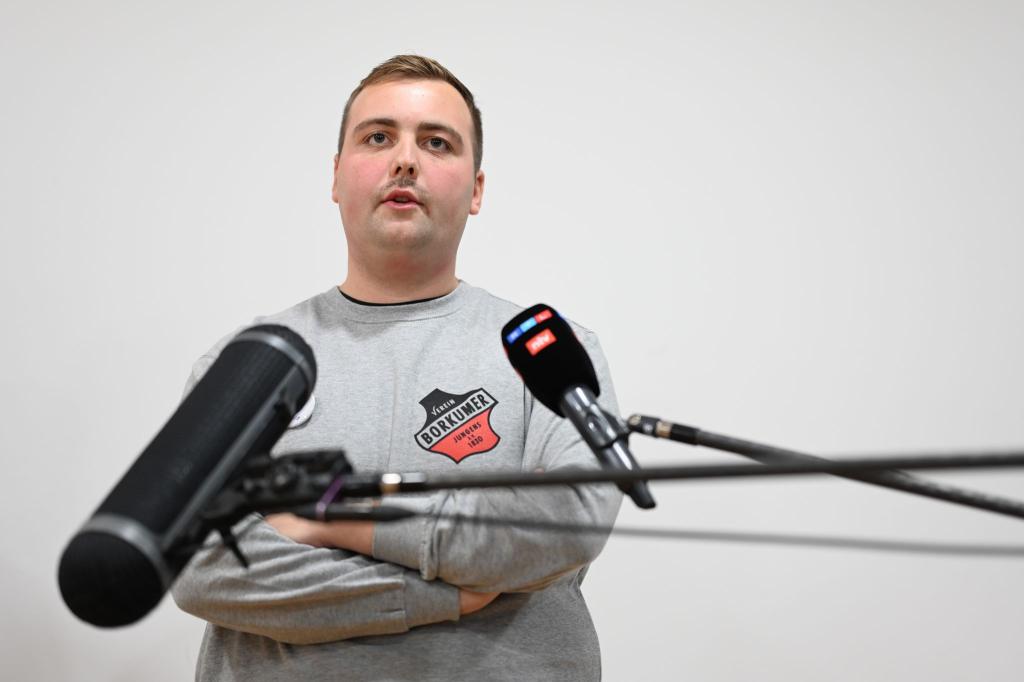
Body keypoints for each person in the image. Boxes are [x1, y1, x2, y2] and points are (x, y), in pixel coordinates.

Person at [172, 54, 623, 681]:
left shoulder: (549, 351)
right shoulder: (247, 367)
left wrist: (327, 518)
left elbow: (566, 525)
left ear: (477, 190)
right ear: (335, 176)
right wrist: (440, 593)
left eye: (437, 142)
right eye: (378, 137)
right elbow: (197, 565)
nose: (405, 159)